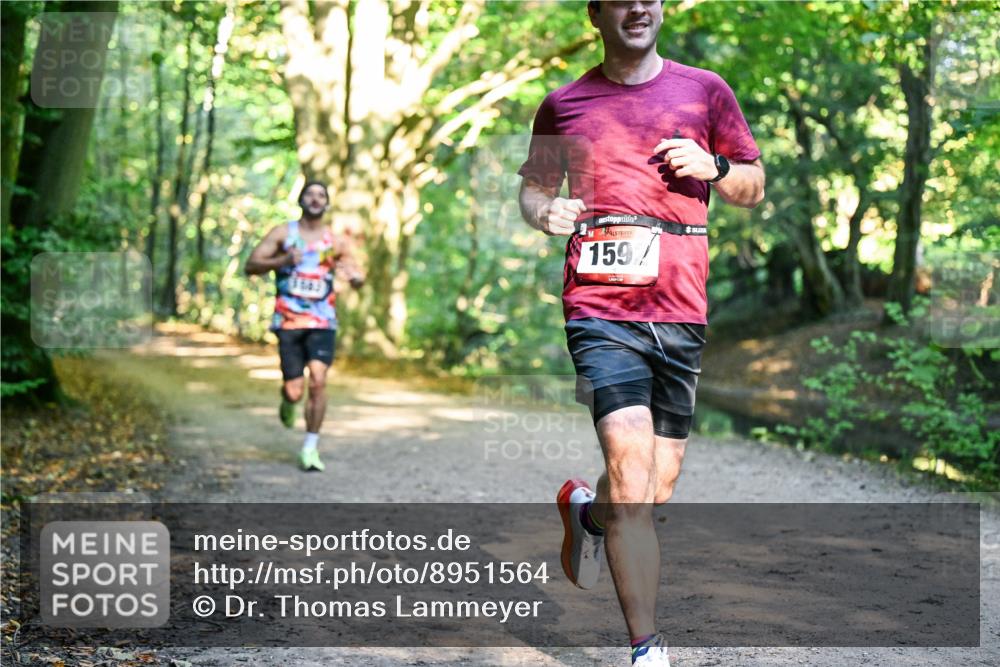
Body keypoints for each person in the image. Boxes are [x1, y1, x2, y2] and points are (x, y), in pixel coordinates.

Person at [517, 2, 765, 665]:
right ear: (596, 12)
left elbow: (753, 183)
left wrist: (713, 166)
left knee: (653, 487)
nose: (638, 6)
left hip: (680, 306)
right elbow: (533, 191)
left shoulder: (705, 90)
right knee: (630, 467)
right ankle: (646, 648)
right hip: (599, 308)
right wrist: (547, 212)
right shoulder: (562, 104)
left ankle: (587, 515)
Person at [245, 180, 364, 472]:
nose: (315, 198)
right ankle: (288, 400)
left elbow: (357, 274)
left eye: (321, 195)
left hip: (323, 321)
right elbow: (251, 265)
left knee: (319, 381)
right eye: (310, 194)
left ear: (326, 204)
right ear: (300, 200)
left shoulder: (335, 242)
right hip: (289, 322)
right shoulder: (284, 233)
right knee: (295, 391)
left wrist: (355, 277)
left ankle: (310, 449)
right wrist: (283, 259)